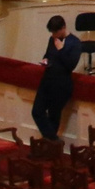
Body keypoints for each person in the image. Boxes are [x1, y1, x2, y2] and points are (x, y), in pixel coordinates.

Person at [32, 16, 83, 144]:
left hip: (61, 84)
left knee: (54, 116)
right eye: (52, 32)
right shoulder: (52, 39)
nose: (54, 35)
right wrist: (45, 60)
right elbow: (48, 54)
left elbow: (70, 65)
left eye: (56, 32)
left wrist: (61, 50)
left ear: (63, 28)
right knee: (37, 111)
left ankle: (49, 146)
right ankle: (54, 141)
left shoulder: (75, 43)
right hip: (47, 81)